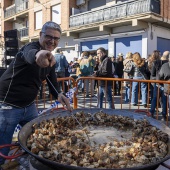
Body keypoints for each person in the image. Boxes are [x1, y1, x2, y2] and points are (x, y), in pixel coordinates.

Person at [0, 21, 71, 166]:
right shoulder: (29, 48)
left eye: (56, 38)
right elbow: (31, 54)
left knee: (36, 139)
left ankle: (28, 163)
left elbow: (52, 82)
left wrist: (59, 94)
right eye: (48, 36)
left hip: (29, 106)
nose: (52, 41)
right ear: (40, 35)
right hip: (8, 106)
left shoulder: (51, 60)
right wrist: (39, 54)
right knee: (3, 146)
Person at [149, 51, 169, 120]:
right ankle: (161, 114)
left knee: (158, 99)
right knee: (160, 99)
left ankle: (155, 113)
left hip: (160, 84)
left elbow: (152, 75)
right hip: (161, 84)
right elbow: (153, 74)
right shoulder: (157, 63)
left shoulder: (156, 62)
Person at [158, 53, 170, 120]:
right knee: (165, 101)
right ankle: (164, 115)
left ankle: (164, 115)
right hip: (167, 87)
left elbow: (161, 76)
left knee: (165, 101)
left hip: (167, 87)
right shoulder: (164, 66)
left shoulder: (165, 66)